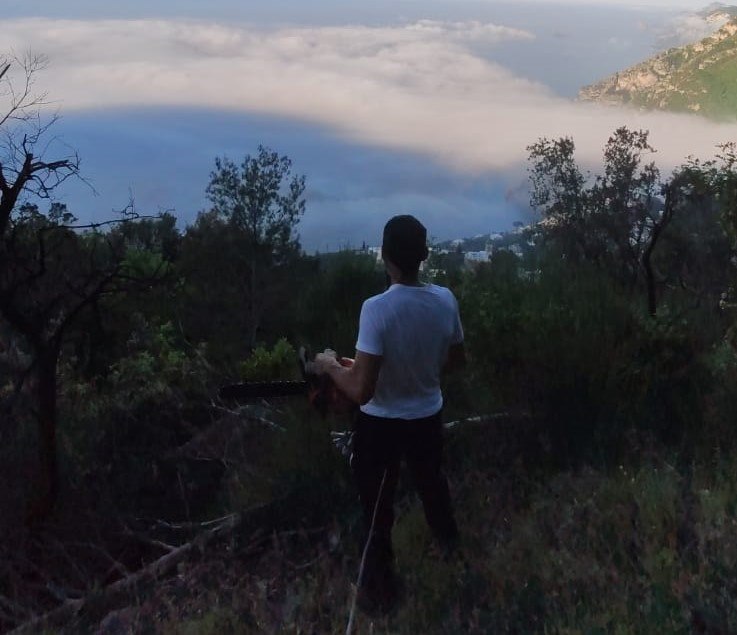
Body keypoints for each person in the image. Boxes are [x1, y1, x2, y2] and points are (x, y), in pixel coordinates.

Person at [315, 214, 465, 612]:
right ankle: (455, 558)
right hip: (427, 418)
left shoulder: (376, 308)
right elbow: (455, 359)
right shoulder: (445, 299)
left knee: (377, 511)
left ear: (384, 256)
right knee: (434, 489)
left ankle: (382, 599)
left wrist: (332, 367)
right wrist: (411, 372)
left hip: (381, 426)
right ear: (425, 255)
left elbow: (362, 391)